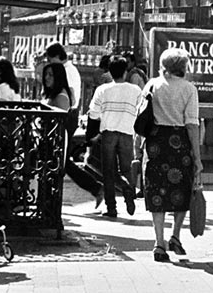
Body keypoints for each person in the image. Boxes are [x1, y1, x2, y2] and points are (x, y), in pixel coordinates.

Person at [140, 48, 202, 262]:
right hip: (179, 142)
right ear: (183, 67)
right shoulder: (189, 89)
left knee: (157, 192)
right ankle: (175, 235)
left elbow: (142, 118)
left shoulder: (152, 85)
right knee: (181, 190)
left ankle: (159, 243)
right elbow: (192, 124)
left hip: (156, 142)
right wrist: (197, 156)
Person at [85, 56, 141, 218]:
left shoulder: (102, 90)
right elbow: (140, 111)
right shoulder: (135, 90)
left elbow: (94, 114)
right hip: (127, 133)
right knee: (126, 169)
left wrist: (92, 135)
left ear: (109, 72)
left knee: (108, 172)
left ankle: (111, 208)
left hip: (108, 133)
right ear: (125, 72)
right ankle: (129, 189)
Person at [45, 42, 83, 115]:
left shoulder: (68, 71)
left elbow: (71, 95)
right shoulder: (65, 69)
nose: (49, 63)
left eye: (50, 60)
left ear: (57, 56)